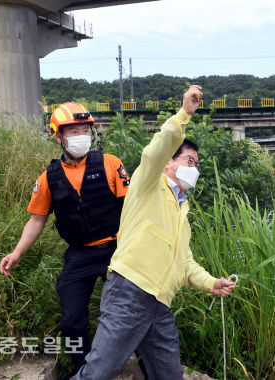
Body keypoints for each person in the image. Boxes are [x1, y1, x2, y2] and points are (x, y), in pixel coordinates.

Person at [72, 85, 236, 379]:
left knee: (169, 375)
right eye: (190, 161)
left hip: (160, 304)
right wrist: (184, 114)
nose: (195, 169)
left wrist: (212, 283)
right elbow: (156, 149)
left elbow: (185, 263)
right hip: (130, 292)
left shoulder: (182, 210)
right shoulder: (148, 182)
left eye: (197, 165)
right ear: (170, 163)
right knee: (98, 373)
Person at [0, 102, 139, 378]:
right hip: (80, 255)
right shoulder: (48, 178)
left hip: (117, 250)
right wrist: (16, 253)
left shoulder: (111, 164)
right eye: (73, 131)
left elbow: (131, 208)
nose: (80, 136)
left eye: (84, 129)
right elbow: (36, 220)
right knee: (72, 321)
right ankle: (83, 370)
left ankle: (145, 365)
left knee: (131, 311)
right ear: (59, 137)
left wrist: (129, 246)